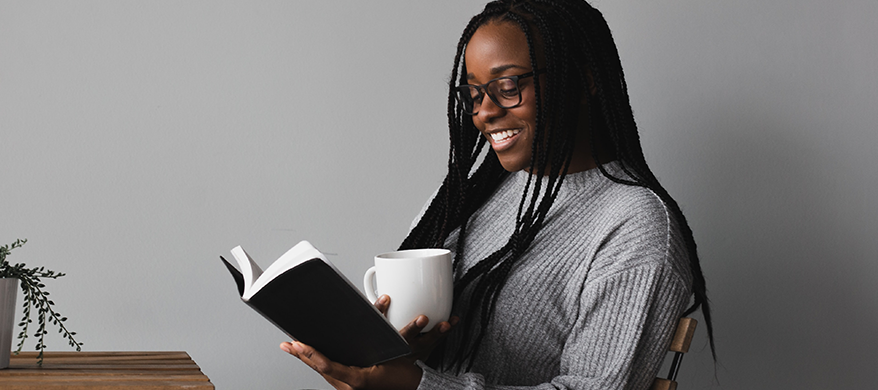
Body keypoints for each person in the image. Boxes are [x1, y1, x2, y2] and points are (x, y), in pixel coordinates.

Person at [281, 0, 714, 388]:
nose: (484, 112)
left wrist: (415, 386)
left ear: (584, 82)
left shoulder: (635, 228)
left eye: (508, 86)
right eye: (473, 93)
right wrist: (387, 359)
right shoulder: (476, 194)